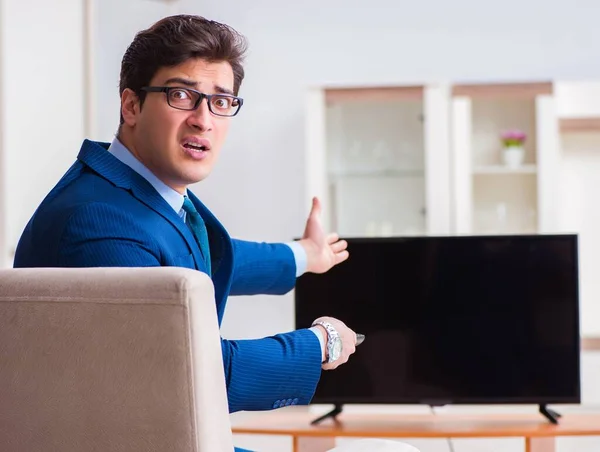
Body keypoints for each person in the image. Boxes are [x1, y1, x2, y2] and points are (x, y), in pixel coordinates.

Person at [13, 14, 359, 417]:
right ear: (131, 105)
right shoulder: (98, 222)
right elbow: (185, 373)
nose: (204, 119)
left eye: (221, 101)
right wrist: (319, 344)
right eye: (182, 95)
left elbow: (204, 259)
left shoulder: (136, 196)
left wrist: (304, 254)